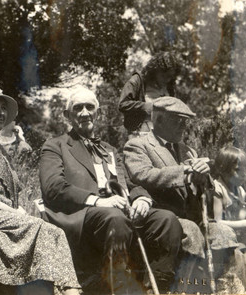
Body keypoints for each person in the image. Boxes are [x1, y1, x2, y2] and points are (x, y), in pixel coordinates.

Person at [39, 86, 183, 294]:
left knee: (166, 220)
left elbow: (129, 184)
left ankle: (155, 288)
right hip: (81, 217)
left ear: (98, 112)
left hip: (117, 216)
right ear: (67, 115)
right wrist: (98, 201)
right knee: (114, 218)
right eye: (78, 108)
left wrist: (142, 198)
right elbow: (52, 188)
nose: (85, 113)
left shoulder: (109, 150)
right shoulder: (55, 146)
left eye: (90, 107)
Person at [0, 84, 80, 295]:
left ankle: (68, 290)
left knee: (55, 231)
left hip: (2, 214)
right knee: (43, 229)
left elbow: (16, 192)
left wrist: (19, 211)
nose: (1, 112)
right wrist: (8, 210)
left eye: (3, 107)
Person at [123, 96, 240, 293]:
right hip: (163, 219)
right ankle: (181, 289)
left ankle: (222, 287)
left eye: (186, 120)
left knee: (224, 233)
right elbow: (142, 175)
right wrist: (185, 173)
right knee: (192, 232)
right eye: (178, 120)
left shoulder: (187, 150)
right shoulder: (137, 145)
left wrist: (204, 176)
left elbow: (205, 187)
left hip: (194, 217)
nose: (184, 125)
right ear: (159, 119)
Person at [211, 146, 246, 293]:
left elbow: (239, 218)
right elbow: (217, 222)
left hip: (234, 240)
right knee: (240, 258)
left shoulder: (240, 191)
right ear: (223, 169)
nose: (244, 175)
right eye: (238, 170)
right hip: (218, 240)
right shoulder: (217, 188)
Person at [118, 52, 179, 137]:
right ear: (155, 70)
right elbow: (123, 104)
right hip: (140, 134)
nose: (167, 79)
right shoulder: (138, 81)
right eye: (163, 75)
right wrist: (148, 107)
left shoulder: (169, 87)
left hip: (164, 136)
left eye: (170, 76)